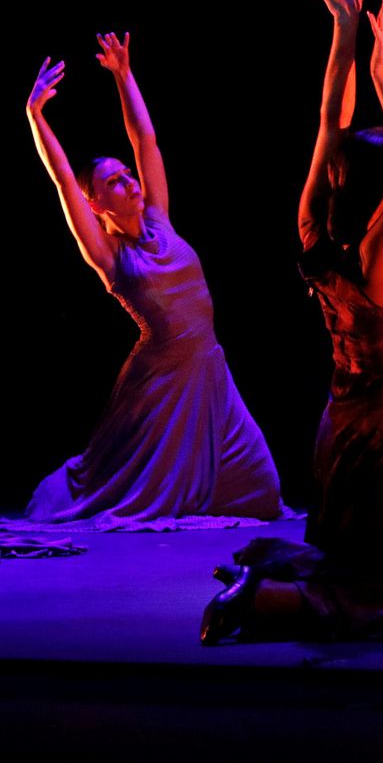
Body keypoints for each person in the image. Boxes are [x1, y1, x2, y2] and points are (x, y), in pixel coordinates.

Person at [201, 0, 383, 643]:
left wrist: (343, 33)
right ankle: (261, 606)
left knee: (353, 564)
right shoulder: (380, 257)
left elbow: (327, 124)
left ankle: (272, 596)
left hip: (345, 429)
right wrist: (381, 71)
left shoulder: (318, 230)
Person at [5, 37, 286, 532]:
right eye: (114, 182)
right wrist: (36, 115)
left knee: (262, 490)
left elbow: (145, 140)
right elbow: (64, 180)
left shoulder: (161, 220)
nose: (130, 182)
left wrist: (123, 74)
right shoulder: (109, 256)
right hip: (161, 383)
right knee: (123, 485)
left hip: (210, 372)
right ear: (96, 204)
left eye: (127, 175)